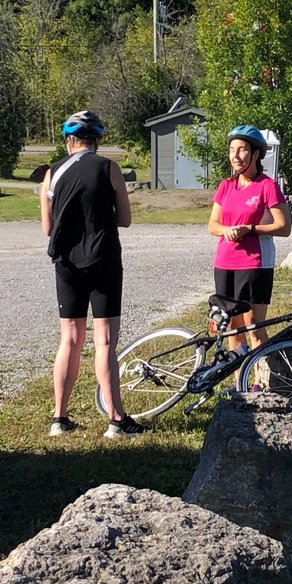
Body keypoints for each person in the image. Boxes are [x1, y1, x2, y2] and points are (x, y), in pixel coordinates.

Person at [41, 109, 145, 438]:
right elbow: (125, 218)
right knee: (104, 341)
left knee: (69, 340)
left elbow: (48, 227)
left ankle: (59, 417)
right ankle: (116, 419)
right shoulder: (108, 168)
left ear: (68, 140)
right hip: (103, 260)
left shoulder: (52, 173)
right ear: (97, 140)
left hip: (66, 264)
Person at [207, 125, 292, 355]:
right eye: (232, 149)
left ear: (256, 154)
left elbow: (284, 227)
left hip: (255, 262)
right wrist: (226, 230)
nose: (235, 156)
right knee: (233, 327)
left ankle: (260, 383)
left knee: (254, 326)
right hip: (225, 262)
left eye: (242, 150)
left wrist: (251, 229)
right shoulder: (226, 186)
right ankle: (238, 384)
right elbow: (212, 225)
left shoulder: (267, 186)